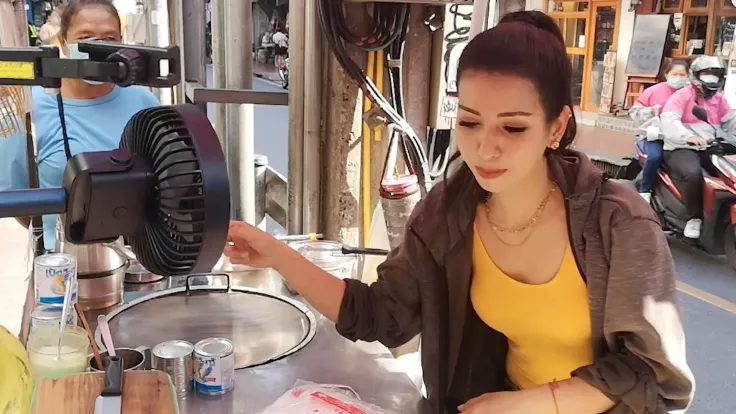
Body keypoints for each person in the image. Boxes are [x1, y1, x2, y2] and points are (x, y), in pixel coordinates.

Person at [225, 11, 694, 414]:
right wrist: (277, 254)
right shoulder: (449, 213)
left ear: (557, 127)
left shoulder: (616, 224)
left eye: (512, 127)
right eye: (469, 122)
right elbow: (380, 314)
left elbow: (653, 372)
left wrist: (534, 404)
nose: (484, 148)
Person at [0, 0, 159, 250]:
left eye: (108, 38)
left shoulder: (144, 102)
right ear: (63, 41)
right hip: (60, 262)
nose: (97, 48)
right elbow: (17, 198)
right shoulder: (30, 109)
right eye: (85, 38)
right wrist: (55, 238)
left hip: (137, 260)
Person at [661, 55, 736, 239]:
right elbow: (670, 121)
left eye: (715, 76)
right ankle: (693, 217)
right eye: (707, 75)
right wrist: (689, 137)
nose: (711, 80)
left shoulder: (719, 99)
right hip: (680, 147)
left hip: (709, 147)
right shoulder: (682, 96)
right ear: (696, 76)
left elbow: (730, 122)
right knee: (693, 173)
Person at [629, 60, 690, 203]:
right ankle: (645, 190)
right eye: (675, 74)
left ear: (688, 76)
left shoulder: (692, 94)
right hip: (655, 136)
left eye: (682, 75)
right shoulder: (653, 91)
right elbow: (635, 112)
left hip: (682, 139)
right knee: (655, 157)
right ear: (667, 74)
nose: (678, 78)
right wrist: (650, 111)